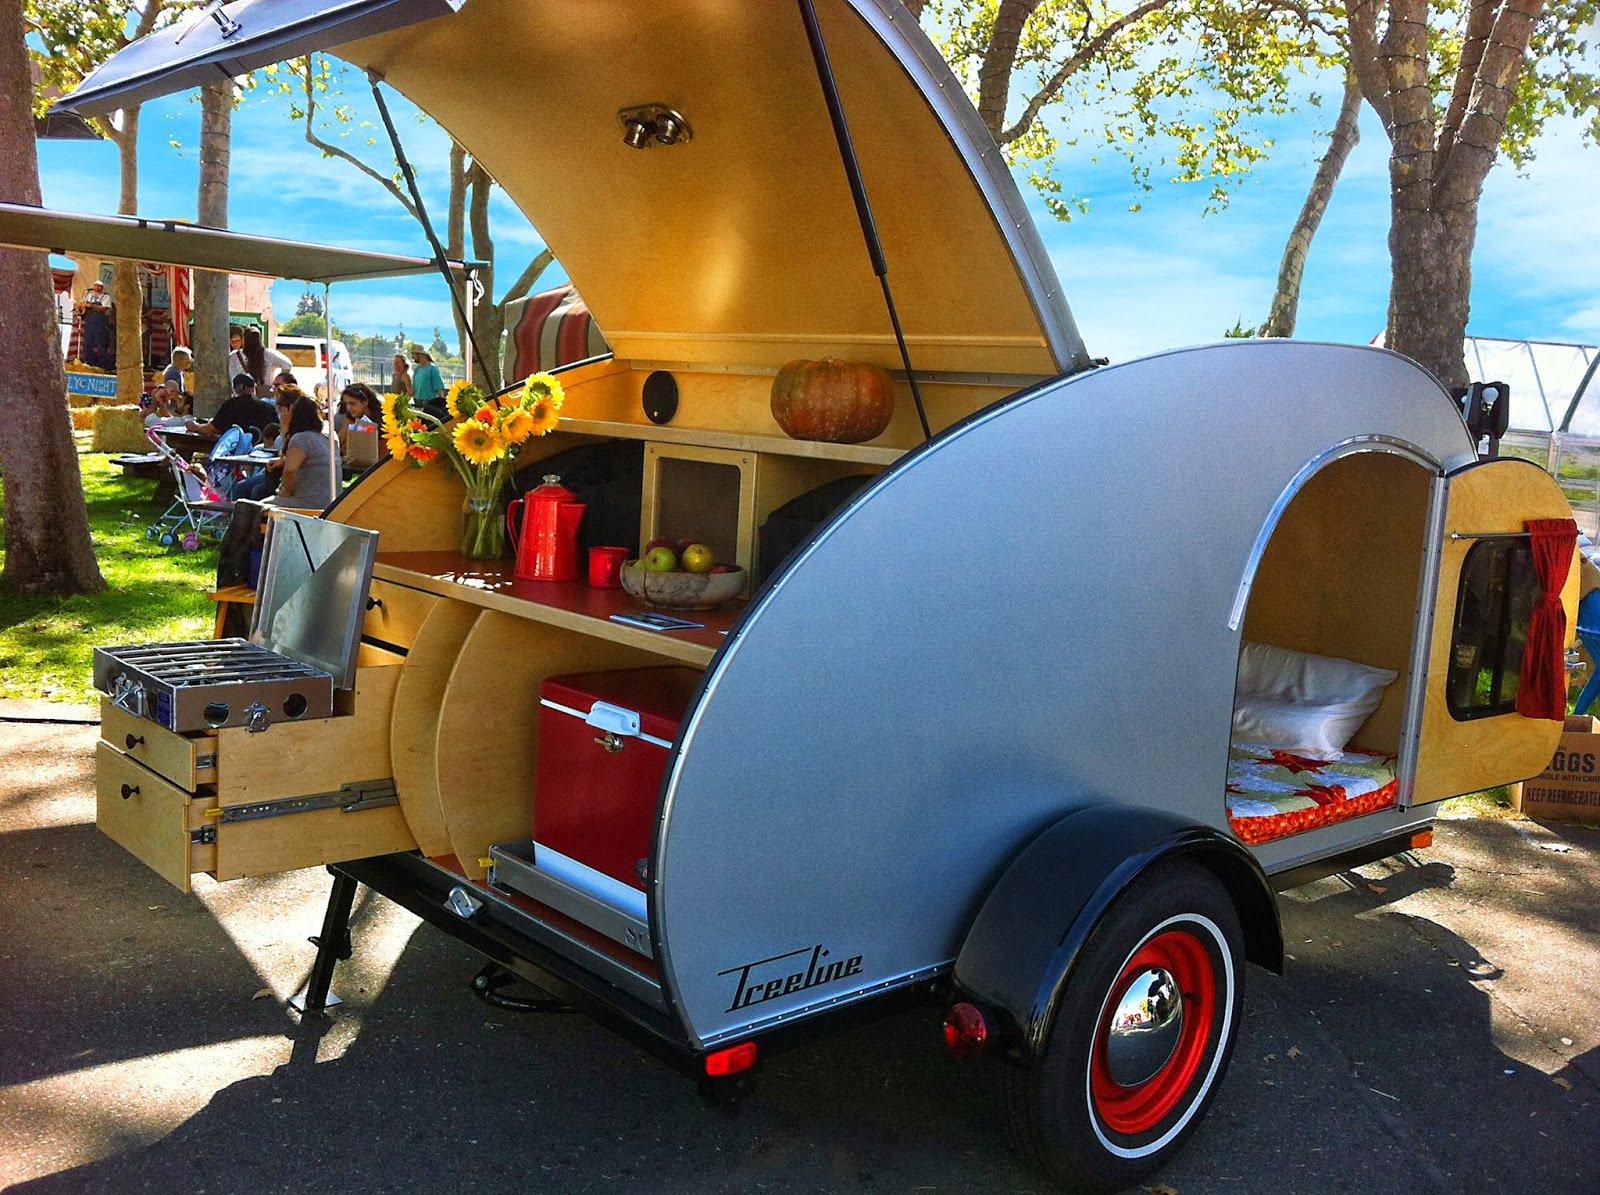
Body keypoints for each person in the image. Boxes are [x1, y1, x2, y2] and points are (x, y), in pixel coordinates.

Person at [268, 392, 341, 510]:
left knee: (250, 507)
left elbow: (290, 469)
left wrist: (285, 493)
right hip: (332, 503)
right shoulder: (331, 436)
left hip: (306, 504)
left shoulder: (301, 438)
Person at [185, 374, 278, 440]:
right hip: (260, 451)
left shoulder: (231, 405)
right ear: (254, 387)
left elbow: (210, 430)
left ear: (235, 389)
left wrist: (195, 427)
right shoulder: (269, 407)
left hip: (235, 451)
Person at [338, 383, 387, 466]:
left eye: (352, 403)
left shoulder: (382, 416)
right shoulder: (352, 414)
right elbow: (342, 437)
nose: (348, 408)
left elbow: (383, 451)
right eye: (346, 404)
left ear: (365, 402)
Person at [78, 279, 113, 369]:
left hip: (100, 323)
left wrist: (92, 306)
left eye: (99, 286)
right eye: (95, 285)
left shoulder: (106, 297)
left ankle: (102, 365)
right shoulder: (88, 295)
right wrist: (81, 306)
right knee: (88, 343)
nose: (97, 287)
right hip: (89, 322)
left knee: (101, 344)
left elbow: (105, 308)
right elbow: (83, 306)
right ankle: (88, 363)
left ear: (102, 288)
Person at [410, 346, 445, 418]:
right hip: (417, 405)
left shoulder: (432, 368)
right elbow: (414, 389)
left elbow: (439, 388)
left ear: (419, 355)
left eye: (413, 354)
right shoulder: (417, 369)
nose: (412, 357)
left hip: (429, 406)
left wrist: (440, 407)